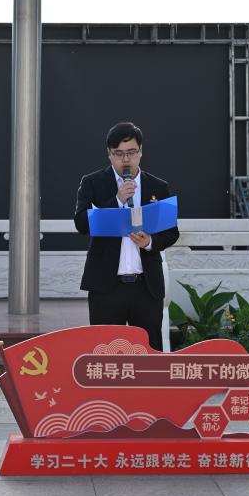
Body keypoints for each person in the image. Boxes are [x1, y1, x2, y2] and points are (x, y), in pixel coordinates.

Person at [74, 121, 179, 351]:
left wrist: (150, 242)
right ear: (109, 154)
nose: (126, 159)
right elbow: (81, 223)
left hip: (146, 286)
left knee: (150, 351)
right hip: (107, 286)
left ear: (141, 151)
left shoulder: (158, 186)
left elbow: (172, 232)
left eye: (131, 152)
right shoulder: (92, 183)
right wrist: (117, 200)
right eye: (119, 153)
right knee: (105, 352)